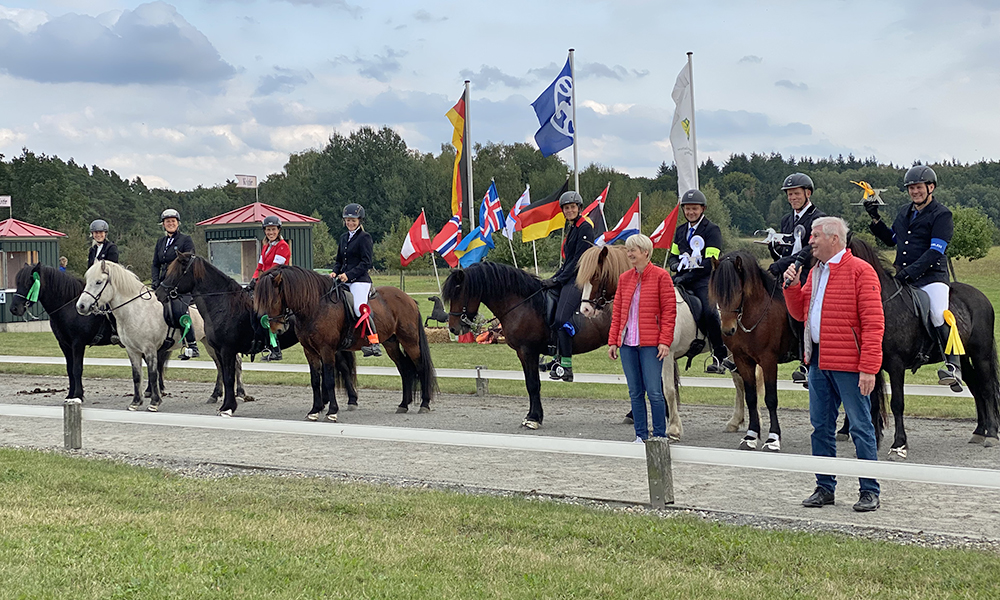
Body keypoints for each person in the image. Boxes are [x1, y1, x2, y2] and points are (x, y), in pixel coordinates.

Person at [783, 217, 884, 512]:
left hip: (850, 365)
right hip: (818, 362)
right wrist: (791, 286)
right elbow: (800, 313)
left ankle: (869, 489)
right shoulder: (815, 272)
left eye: (815, 236)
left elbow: (874, 324)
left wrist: (869, 367)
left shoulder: (861, 272)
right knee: (820, 428)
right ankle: (824, 487)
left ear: (834, 239)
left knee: (862, 428)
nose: (810, 240)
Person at [866, 165, 961, 392]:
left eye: (918, 187)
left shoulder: (942, 214)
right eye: (911, 188)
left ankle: (953, 365)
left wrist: (910, 272)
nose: (914, 192)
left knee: (939, 313)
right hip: (904, 276)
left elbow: (935, 250)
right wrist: (875, 219)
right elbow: (892, 240)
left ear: (931, 187)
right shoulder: (904, 212)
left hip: (931, 277)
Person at [608, 234, 676, 442]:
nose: (629, 254)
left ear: (645, 252)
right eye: (628, 250)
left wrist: (665, 341)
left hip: (650, 344)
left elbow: (669, 311)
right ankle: (640, 435)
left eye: (633, 250)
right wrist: (613, 341)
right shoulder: (624, 278)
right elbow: (618, 311)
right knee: (635, 392)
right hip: (628, 343)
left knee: (654, 392)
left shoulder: (661, 276)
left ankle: (659, 434)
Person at [768, 173, 826, 386]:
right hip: (789, 273)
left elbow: (812, 250)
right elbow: (786, 249)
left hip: (810, 272)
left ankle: (805, 359)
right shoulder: (786, 219)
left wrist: (781, 265)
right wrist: (774, 251)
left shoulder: (818, 219)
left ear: (807, 193)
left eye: (796, 194)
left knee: (803, 312)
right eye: (790, 194)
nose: (793, 198)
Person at [667, 189, 732, 374]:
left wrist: (686, 276)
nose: (690, 212)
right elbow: (673, 256)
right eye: (687, 209)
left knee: (710, 312)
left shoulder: (712, 230)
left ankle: (720, 355)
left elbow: (709, 263)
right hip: (680, 279)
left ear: (702, 209)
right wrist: (674, 266)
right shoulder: (680, 231)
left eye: (694, 209)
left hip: (704, 281)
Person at [541, 190, 595, 382]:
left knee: (561, 319)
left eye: (573, 207)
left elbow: (578, 261)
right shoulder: (573, 227)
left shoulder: (585, 227)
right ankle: (556, 357)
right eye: (566, 208)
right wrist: (554, 277)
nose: (570, 210)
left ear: (579, 208)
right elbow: (568, 261)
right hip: (568, 276)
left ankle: (567, 366)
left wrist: (558, 280)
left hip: (579, 279)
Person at [331, 203, 381, 357]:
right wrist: (334, 272)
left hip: (360, 280)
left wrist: (349, 275)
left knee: (360, 308)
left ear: (360, 221)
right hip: (343, 279)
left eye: (353, 220)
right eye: (347, 220)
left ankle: (374, 343)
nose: (350, 223)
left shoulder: (365, 237)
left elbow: (366, 263)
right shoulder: (343, 237)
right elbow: (339, 260)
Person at [151, 208, 199, 360]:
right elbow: (155, 264)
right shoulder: (161, 242)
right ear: (163, 225)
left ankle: (192, 345)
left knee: (179, 310)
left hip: (180, 284)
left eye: (173, 221)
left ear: (178, 223)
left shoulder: (186, 240)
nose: (170, 224)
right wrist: (155, 281)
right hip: (164, 284)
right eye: (167, 222)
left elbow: (188, 263)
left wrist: (175, 282)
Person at [249, 215, 292, 361]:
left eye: (273, 229)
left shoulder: (283, 246)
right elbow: (260, 267)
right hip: (265, 283)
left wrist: (260, 281)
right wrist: (254, 279)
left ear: (278, 230)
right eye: (268, 230)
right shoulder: (266, 247)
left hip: (276, 284)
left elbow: (274, 269)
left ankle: (275, 349)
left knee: (266, 315)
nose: (270, 232)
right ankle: (258, 342)